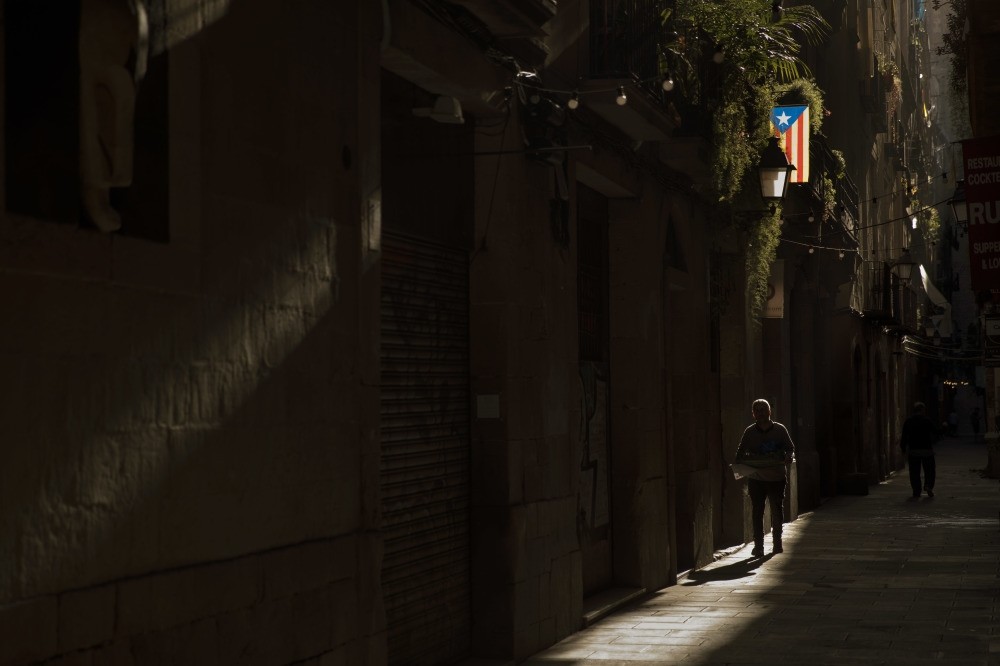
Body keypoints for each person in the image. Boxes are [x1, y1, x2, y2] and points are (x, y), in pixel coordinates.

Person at [734, 399, 795, 557]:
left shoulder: (780, 430)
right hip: (757, 479)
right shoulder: (749, 432)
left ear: (769, 412)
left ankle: (777, 543)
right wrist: (743, 463)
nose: (760, 412)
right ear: (753, 413)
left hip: (776, 477)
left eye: (763, 409)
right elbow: (740, 453)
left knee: (776, 510)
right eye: (757, 410)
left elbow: (790, 448)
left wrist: (788, 456)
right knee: (757, 511)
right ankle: (759, 546)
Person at [900, 402, 938, 499]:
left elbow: (904, 436)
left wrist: (903, 448)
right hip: (927, 450)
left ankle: (916, 491)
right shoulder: (927, 420)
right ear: (922, 410)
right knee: (929, 470)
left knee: (914, 472)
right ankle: (928, 485)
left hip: (913, 450)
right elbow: (935, 432)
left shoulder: (908, 421)